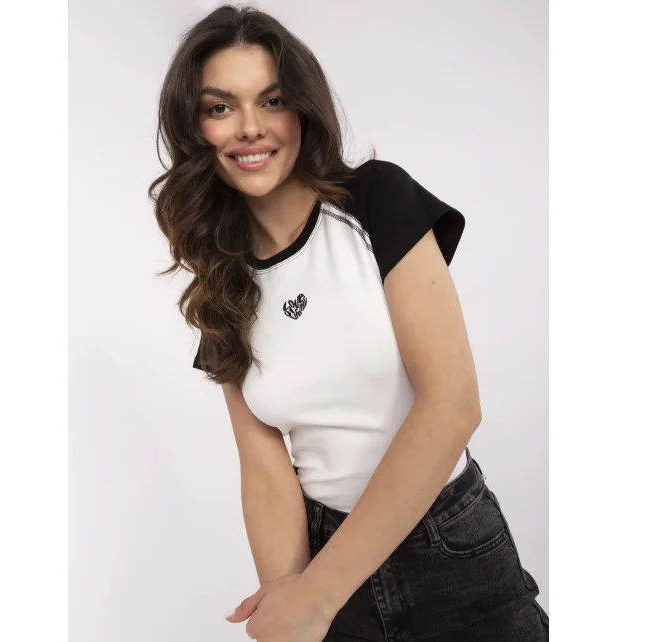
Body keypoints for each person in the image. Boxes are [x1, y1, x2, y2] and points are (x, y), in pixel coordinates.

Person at [148, 4, 549, 640]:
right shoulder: (223, 280)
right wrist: (290, 595)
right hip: (320, 556)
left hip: (448, 549)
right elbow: (263, 462)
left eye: (272, 100)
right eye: (220, 107)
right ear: (195, 128)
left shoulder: (375, 200)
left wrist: (317, 596)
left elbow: (453, 406)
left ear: (303, 108)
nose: (250, 128)